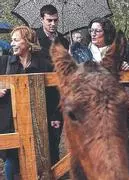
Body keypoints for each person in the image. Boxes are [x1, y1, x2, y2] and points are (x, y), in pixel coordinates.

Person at [0, 26, 52, 180]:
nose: (12, 44)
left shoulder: (44, 65)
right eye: (11, 40)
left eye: (16, 40)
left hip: (36, 121)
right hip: (8, 120)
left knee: (39, 159)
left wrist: (54, 116)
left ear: (28, 43)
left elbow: (54, 94)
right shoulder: (3, 62)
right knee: (11, 159)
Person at [36, 4, 67, 166]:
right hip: (39, 94)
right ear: (42, 19)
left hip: (58, 97)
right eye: (49, 20)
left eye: (55, 20)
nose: (53, 24)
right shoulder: (33, 38)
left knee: (55, 137)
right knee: (40, 138)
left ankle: (55, 170)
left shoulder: (64, 40)